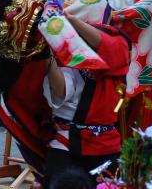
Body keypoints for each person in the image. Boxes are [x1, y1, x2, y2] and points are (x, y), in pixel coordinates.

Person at [43, 11, 130, 183]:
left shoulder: (118, 45)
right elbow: (61, 90)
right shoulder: (65, 53)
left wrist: (73, 20)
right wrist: (45, 54)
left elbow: (111, 49)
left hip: (105, 142)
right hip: (65, 140)